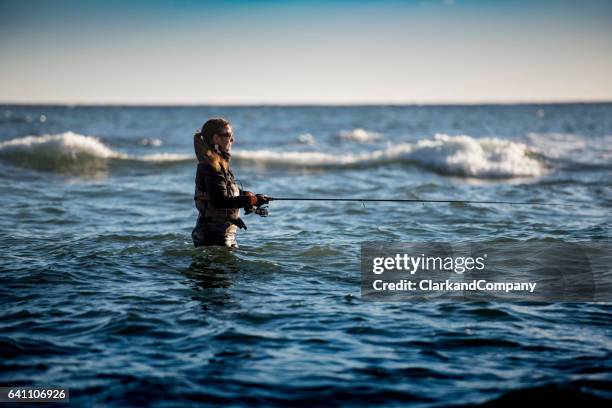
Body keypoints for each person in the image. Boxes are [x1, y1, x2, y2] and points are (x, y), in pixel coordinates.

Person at [191, 118, 269, 247]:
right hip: (213, 236)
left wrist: (248, 196)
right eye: (228, 135)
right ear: (216, 138)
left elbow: (224, 191)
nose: (232, 140)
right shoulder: (211, 167)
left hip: (222, 234)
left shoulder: (220, 165)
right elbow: (220, 200)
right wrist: (252, 200)